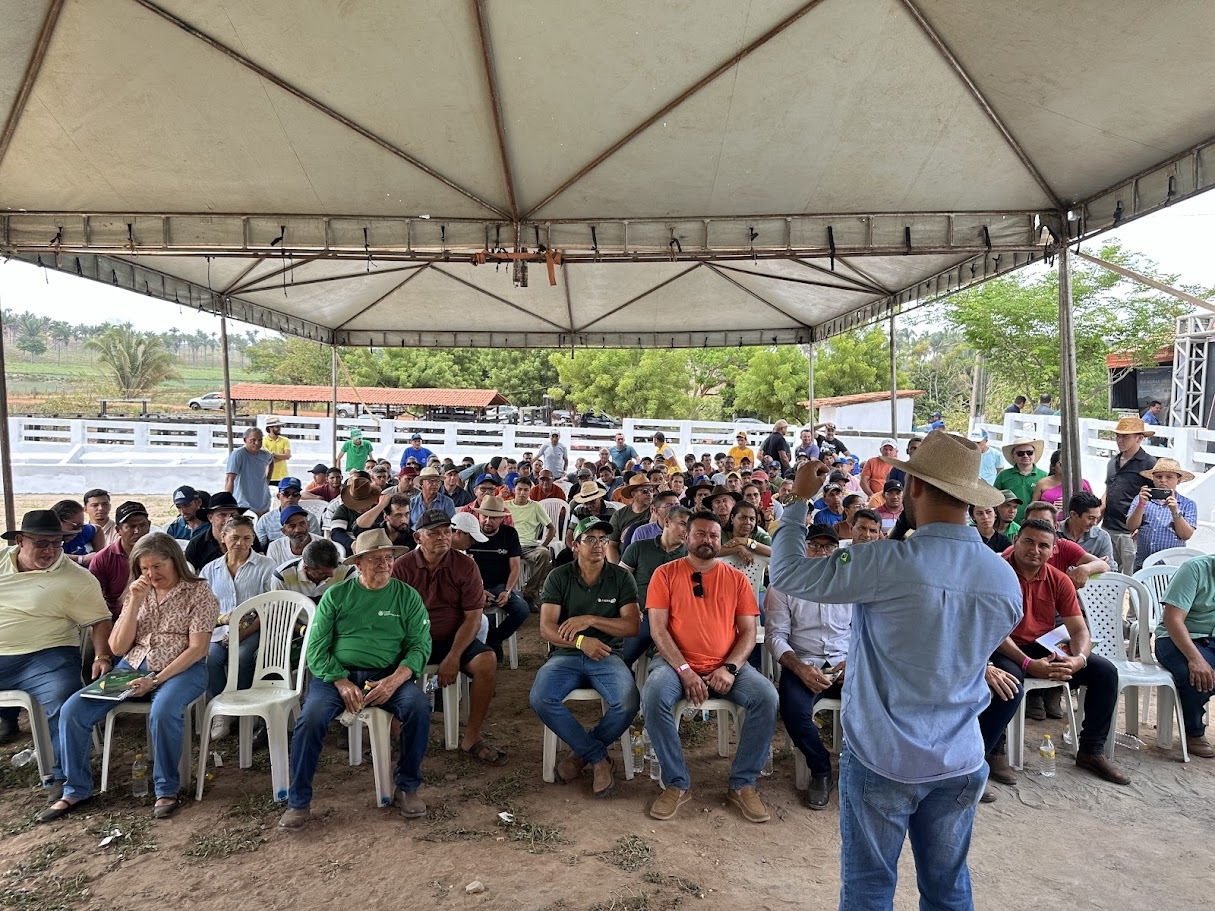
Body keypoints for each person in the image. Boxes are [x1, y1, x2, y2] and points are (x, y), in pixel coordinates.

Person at [769, 430, 1022, 909]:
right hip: (961, 756)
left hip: (883, 756)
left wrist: (799, 501)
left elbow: (786, 575)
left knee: (868, 888)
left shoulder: (884, 560)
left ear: (916, 488)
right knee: (948, 888)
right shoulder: (1002, 576)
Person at [42, 533, 216, 821]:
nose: (151, 574)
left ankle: (166, 789)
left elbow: (198, 649)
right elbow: (118, 647)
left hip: (181, 669)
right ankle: (76, 789)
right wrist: (134, 602)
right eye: (145, 568)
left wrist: (156, 680)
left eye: (158, 566)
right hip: (133, 667)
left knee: (162, 711)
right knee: (74, 709)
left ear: (175, 561)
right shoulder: (138, 591)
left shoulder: (198, 592)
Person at [278, 529, 433, 829]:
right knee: (310, 720)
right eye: (376, 560)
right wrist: (340, 680)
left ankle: (408, 786)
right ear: (358, 564)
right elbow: (316, 649)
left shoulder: (407, 596)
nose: (385, 565)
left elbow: (420, 646)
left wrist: (394, 681)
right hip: (338, 675)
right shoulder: (337, 595)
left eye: (388, 559)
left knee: (418, 708)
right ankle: (299, 801)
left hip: (388, 675)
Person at [642, 512, 778, 823]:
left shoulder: (737, 579)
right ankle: (677, 783)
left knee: (766, 697)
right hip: (676, 664)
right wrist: (685, 671)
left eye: (714, 535)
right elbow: (658, 631)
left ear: (721, 539)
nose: (708, 540)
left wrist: (729, 667)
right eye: (700, 534)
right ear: (686, 538)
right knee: (654, 695)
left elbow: (747, 632)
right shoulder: (665, 574)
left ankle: (742, 783)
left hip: (726, 664)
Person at [978, 519, 1130, 788]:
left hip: (1043, 645)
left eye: (1043, 545)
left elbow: (1079, 630)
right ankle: (991, 752)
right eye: (1028, 541)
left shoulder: (1058, 579)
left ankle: (1091, 751)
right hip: (1000, 645)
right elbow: (994, 632)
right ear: (1015, 541)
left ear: (1054, 551)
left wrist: (1078, 659)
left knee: (1104, 672)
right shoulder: (996, 573)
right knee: (1009, 682)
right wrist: (1028, 663)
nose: (1034, 550)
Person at [530, 516, 641, 797]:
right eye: (590, 539)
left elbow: (631, 626)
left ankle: (581, 755)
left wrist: (590, 619)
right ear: (575, 545)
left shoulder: (620, 576)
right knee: (541, 698)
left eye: (603, 539)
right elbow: (546, 628)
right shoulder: (560, 576)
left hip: (607, 655)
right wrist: (581, 641)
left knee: (627, 703)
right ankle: (598, 758)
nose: (598, 545)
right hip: (565, 655)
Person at [0, 511, 113, 782]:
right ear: (20, 541)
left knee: (65, 700)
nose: (50, 550)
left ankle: (66, 778)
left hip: (47, 655)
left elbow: (100, 619)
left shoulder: (77, 579)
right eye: (41, 543)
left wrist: (102, 655)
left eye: (57, 543)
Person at [393, 510, 506, 766]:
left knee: (487, 660)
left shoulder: (465, 565)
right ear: (418, 537)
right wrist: (413, 651)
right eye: (434, 533)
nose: (442, 537)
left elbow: (473, 618)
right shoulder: (403, 567)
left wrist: (454, 656)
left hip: (454, 638)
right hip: (413, 640)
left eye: (446, 531)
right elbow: (393, 618)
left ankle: (472, 738)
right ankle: (396, 735)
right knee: (387, 663)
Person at [765, 523, 853, 809]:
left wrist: (854, 662)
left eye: (827, 547)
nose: (820, 552)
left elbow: (866, 631)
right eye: (814, 545)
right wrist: (799, 667)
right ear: (803, 547)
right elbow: (775, 635)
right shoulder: (783, 583)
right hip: (804, 660)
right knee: (792, 709)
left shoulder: (852, 582)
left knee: (877, 704)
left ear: (836, 552)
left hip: (846, 661)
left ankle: (860, 769)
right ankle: (821, 769)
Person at [200, 517, 275, 737]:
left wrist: (240, 632)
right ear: (223, 537)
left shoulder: (265, 565)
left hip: (254, 628)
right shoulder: (210, 569)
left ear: (253, 540)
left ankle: (243, 707)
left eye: (246, 538)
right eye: (234, 537)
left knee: (242, 656)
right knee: (210, 658)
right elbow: (203, 606)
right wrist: (224, 624)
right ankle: (222, 707)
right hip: (218, 630)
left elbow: (268, 607)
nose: (240, 543)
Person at [1154, 555, 1215, 758]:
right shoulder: (1195, 569)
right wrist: (1196, 659)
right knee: (1194, 674)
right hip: (1176, 637)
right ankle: (1194, 731)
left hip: (1211, 640)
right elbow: (1173, 619)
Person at [620, 505, 690, 668]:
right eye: (682, 523)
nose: (686, 530)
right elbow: (619, 581)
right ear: (666, 521)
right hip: (642, 614)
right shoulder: (639, 548)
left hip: (677, 618)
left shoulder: (690, 555)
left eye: (689, 526)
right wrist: (630, 608)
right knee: (621, 659)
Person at [465, 500, 530, 662]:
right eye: (484, 516)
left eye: (493, 518)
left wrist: (507, 591)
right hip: (473, 588)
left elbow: (515, 567)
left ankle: (493, 639)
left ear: (502, 519)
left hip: (500, 586)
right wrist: (478, 591)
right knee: (474, 613)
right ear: (478, 515)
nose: (487, 521)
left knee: (522, 609)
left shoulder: (509, 534)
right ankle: (479, 649)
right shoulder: (469, 534)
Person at [1102, 416, 1157, 576]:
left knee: (1130, 578)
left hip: (1130, 532)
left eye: (1125, 436)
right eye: (1118, 436)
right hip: (1108, 526)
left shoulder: (1149, 464)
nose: (1120, 440)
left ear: (1139, 438)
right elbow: (1108, 488)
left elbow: (1155, 499)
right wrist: (1101, 508)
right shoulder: (1113, 461)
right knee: (1109, 575)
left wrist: (1142, 526)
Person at [1126, 456, 1197, 571]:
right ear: (1153, 479)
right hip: (1143, 563)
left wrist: (1175, 510)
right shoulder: (1141, 499)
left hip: (1172, 566)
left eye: (1169, 477)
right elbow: (1131, 526)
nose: (1163, 480)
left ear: (1178, 480)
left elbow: (1186, 535)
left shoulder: (1187, 504)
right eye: (1158, 476)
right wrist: (1141, 505)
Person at [89, 501, 152, 619]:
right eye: (131, 526)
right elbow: (96, 600)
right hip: (117, 619)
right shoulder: (103, 559)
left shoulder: (162, 554)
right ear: (118, 530)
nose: (138, 531)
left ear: (149, 525)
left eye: (142, 525)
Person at [504, 480, 555, 602]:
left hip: (529, 546)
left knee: (544, 553)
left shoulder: (535, 506)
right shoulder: (505, 506)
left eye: (526, 490)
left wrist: (543, 545)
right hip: (508, 546)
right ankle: (505, 592)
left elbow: (551, 527)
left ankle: (530, 592)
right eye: (519, 489)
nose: (522, 493)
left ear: (530, 491)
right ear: (514, 490)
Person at [270, 539, 353, 601]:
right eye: (323, 573)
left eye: (333, 569)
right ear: (306, 568)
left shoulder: (347, 569)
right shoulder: (282, 577)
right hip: (298, 622)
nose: (331, 575)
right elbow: (279, 611)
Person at [1058, 491, 1117, 571]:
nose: (1095, 523)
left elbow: (1110, 569)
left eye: (1097, 518)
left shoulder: (1102, 537)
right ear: (1073, 514)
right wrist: (1096, 564)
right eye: (1090, 518)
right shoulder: (1054, 533)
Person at [254, 477, 322, 547]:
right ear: (278, 496)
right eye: (286, 493)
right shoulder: (266, 519)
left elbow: (316, 544)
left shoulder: (310, 518)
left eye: (295, 494)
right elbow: (260, 545)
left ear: (299, 497)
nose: (290, 497)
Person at [994, 437, 1046, 523]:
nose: (1025, 456)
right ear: (1013, 456)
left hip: (1034, 524)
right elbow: (994, 499)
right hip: (1006, 524)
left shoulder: (1044, 476)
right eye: (1020, 453)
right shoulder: (1003, 475)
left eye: (1029, 452)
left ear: (1034, 454)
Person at [184, 492, 241, 570]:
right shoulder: (197, 544)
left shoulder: (248, 538)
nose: (228, 520)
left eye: (233, 515)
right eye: (222, 515)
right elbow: (187, 574)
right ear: (210, 518)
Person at [225, 427, 274, 515]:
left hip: (263, 501)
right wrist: (227, 502)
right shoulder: (238, 454)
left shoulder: (264, 455)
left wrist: (268, 479)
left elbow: (271, 461)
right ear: (245, 440)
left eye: (260, 440)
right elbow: (230, 479)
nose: (257, 443)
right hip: (243, 504)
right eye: (253, 440)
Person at [1032, 449, 1093, 521]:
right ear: (1053, 466)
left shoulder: (1082, 483)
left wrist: (1071, 504)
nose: (1067, 467)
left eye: (1070, 463)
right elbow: (1033, 507)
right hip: (1047, 522)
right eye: (1062, 464)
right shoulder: (1042, 483)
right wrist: (1050, 507)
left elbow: (1092, 507)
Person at [607, 476, 655, 564]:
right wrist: (617, 568)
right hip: (624, 558)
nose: (649, 494)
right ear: (633, 494)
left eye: (651, 490)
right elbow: (611, 545)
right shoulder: (619, 515)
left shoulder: (656, 511)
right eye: (644, 491)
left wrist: (632, 529)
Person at [55, 499, 99, 568]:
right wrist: (80, 559)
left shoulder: (79, 533)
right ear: (58, 521)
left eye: (81, 526)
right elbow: (52, 555)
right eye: (76, 526)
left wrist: (99, 554)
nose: (79, 530)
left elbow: (97, 529)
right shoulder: (47, 541)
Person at [262, 417, 292, 485]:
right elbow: (266, 458)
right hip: (268, 476)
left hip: (283, 476)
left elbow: (287, 456)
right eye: (277, 426)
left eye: (280, 426)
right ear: (270, 428)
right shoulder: (263, 441)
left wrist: (272, 454)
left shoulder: (285, 440)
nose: (279, 428)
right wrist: (281, 457)